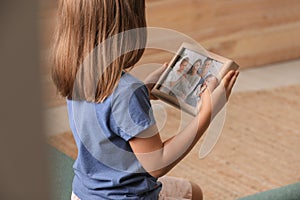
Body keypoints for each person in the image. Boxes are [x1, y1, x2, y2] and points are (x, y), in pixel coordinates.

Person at [51, 1, 239, 199]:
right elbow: (157, 163)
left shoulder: (76, 74)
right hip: (127, 196)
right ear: (130, 26)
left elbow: (108, 113)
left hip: (84, 193)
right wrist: (207, 112)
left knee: (191, 191)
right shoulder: (126, 92)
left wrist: (144, 88)